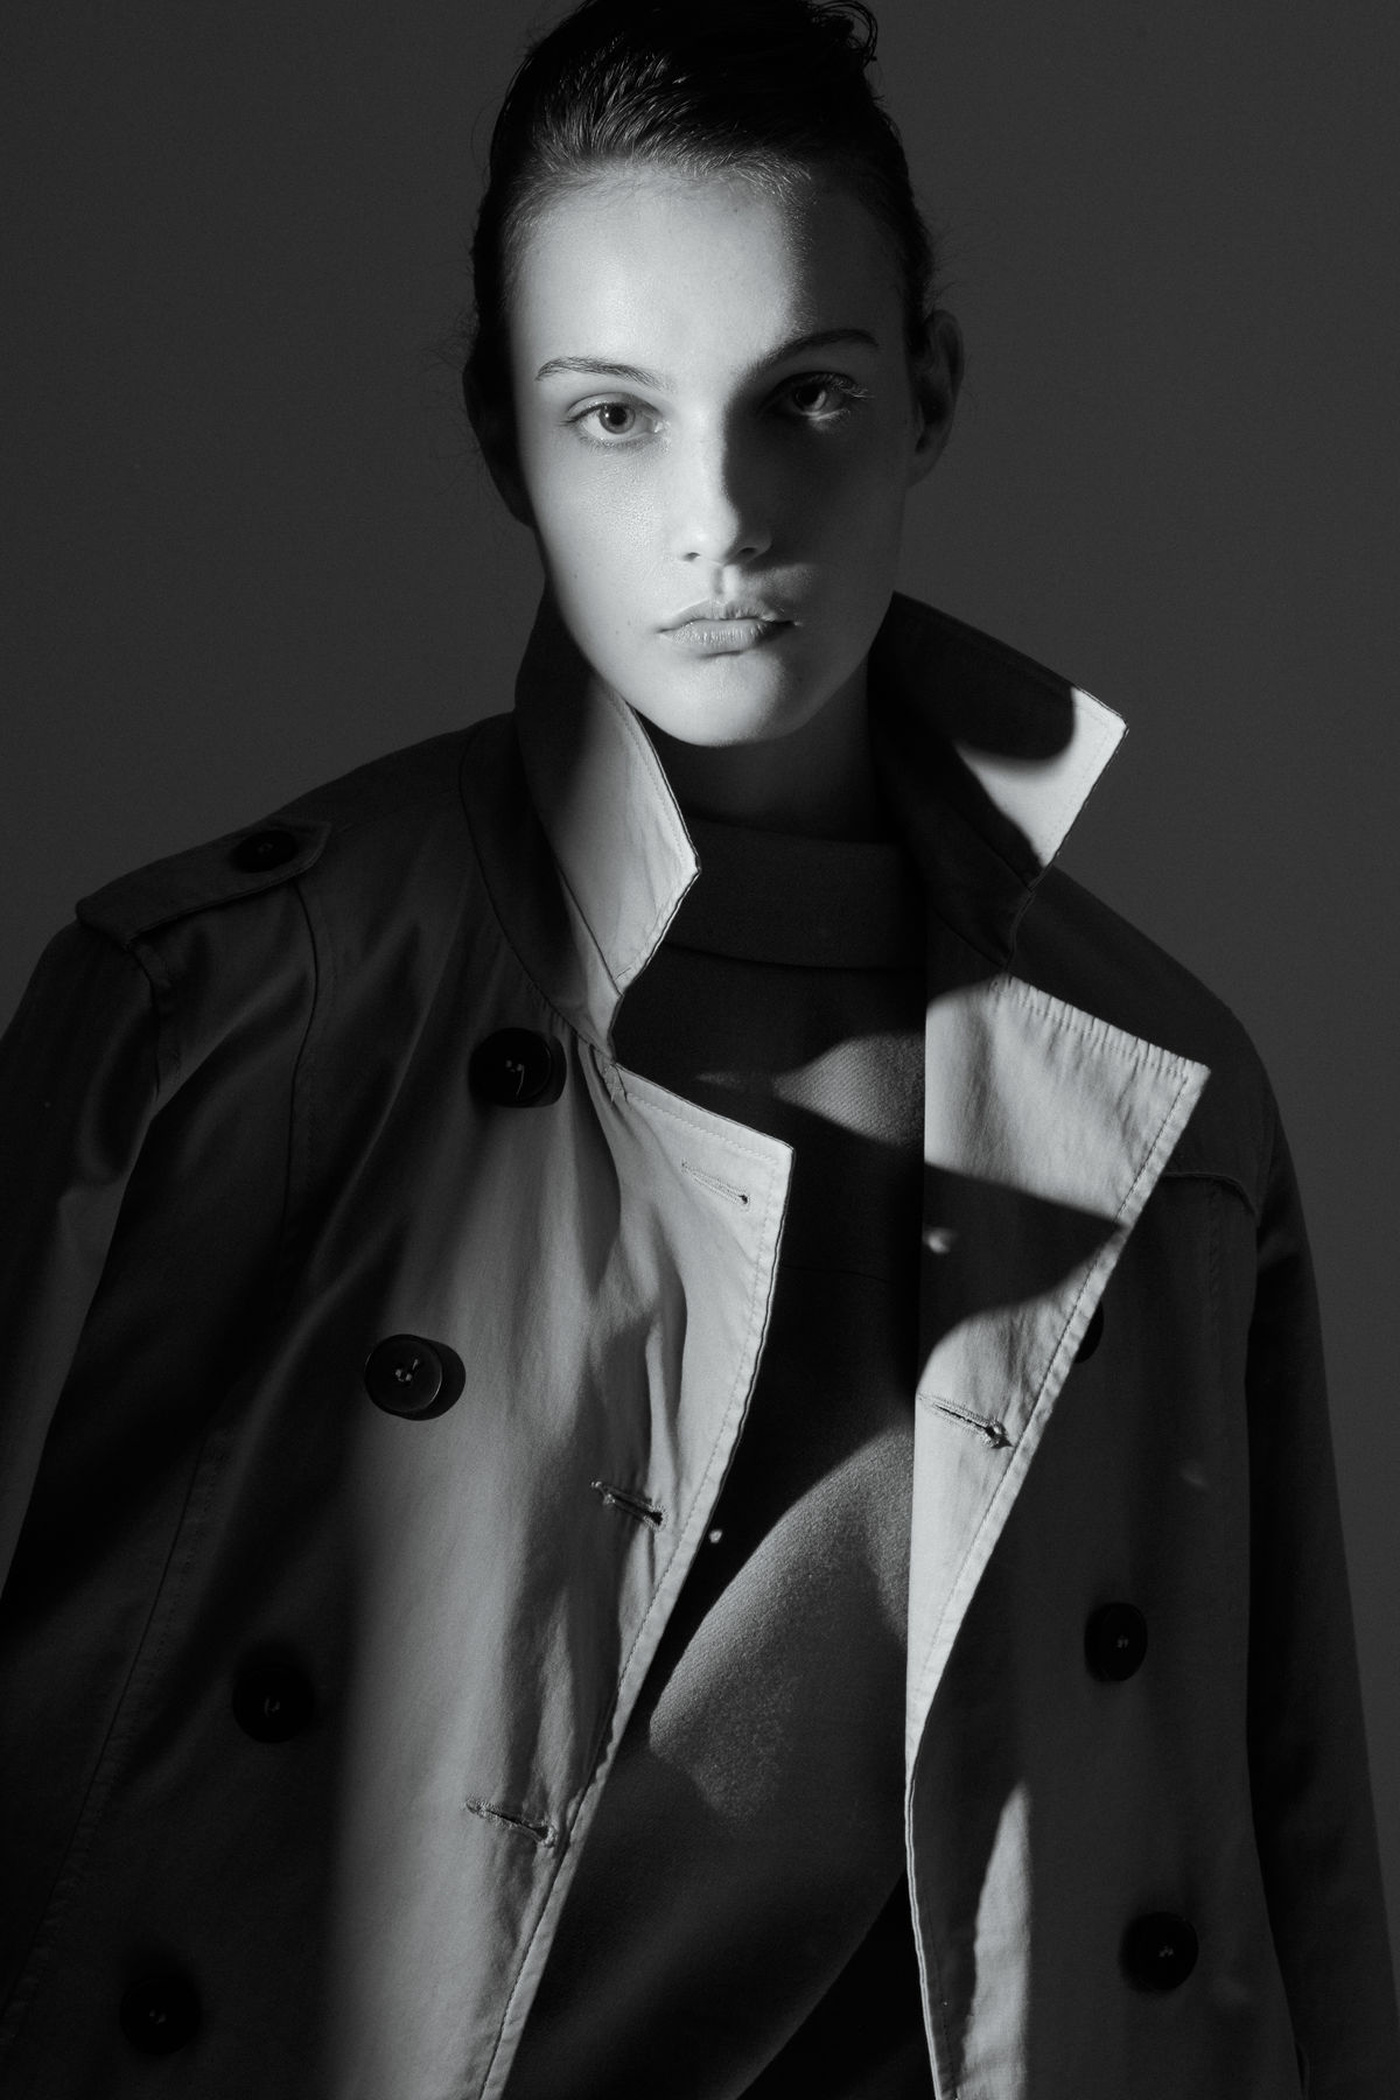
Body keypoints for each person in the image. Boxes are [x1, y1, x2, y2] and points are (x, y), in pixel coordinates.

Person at [0, 0, 1395, 2093]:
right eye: (612, 415)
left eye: (805, 396)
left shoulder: (1155, 1100)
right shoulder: (221, 1018)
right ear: (501, 436)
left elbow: (1290, 1875)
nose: (720, 516)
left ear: (928, 389)